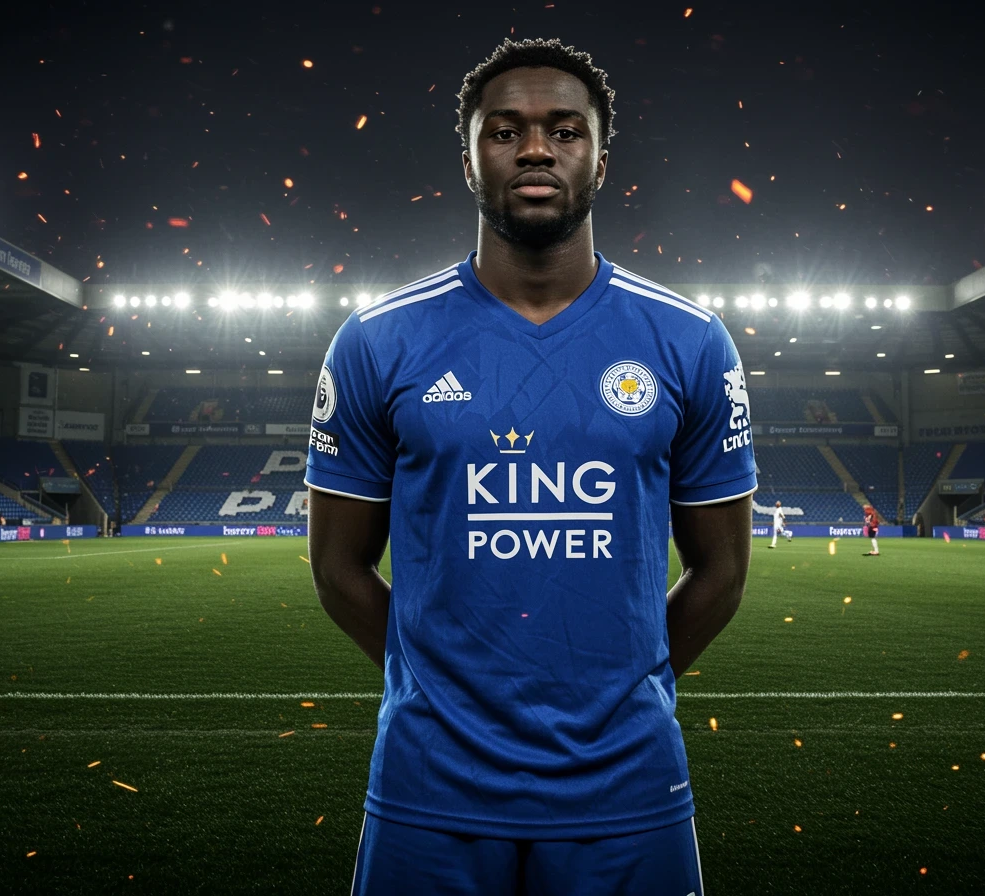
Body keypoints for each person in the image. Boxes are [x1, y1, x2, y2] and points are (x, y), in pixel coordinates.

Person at [306, 38, 755, 896]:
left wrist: (625, 689)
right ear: (470, 158)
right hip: (430, 785)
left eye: (566, 130)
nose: (537, 149)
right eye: (505, 131)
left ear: (600, 157)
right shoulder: (375, 341)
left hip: (628, 786)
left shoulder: (690, 341)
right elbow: (336, 568)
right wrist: (439, 690)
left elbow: (724, 572)